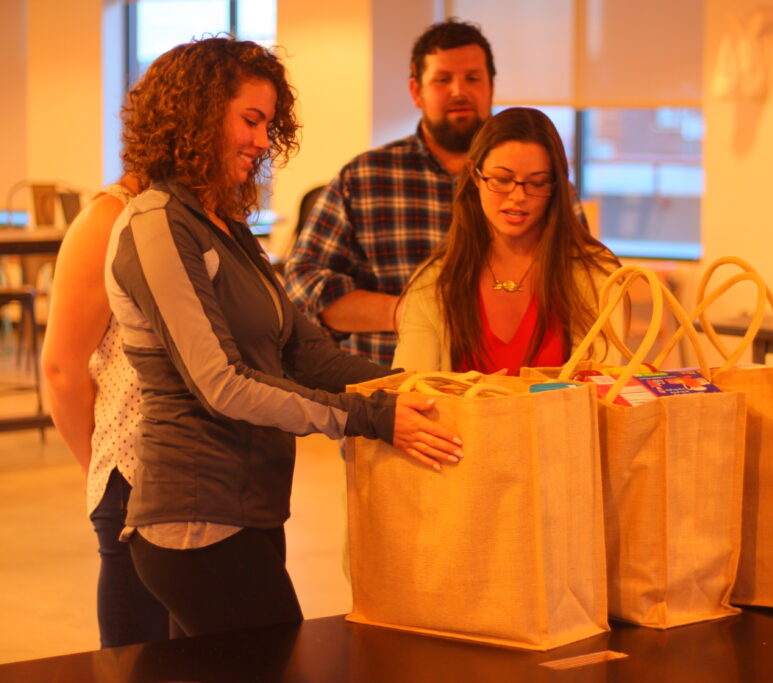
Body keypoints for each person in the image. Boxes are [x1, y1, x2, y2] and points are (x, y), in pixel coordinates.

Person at [105, 37, 462, 638]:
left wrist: (418, 383)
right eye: (250, 120)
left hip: (250, 511)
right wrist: (371, 417)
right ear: (197, 115)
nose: (263, 142)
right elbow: (222, 384)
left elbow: (307, 352)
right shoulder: (157, 224)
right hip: (196, 519)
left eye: (270, 125)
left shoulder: (227, 226)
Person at [284, 19, 589, 367]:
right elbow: (302, 282)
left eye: (472, 78)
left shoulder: (542, 182)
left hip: (527, 391)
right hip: (390, 389)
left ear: (491, 87)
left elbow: (580, 276)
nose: (459, 91)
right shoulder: (365, 178)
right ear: (416, 91)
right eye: (443, 79)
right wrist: (408, 313)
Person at [41, 174, 169, 648]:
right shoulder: (109, 217)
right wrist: (97, 470)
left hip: (206, 477)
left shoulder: (197, 210)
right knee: (141, 660)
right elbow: (60, 368)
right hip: (133, 472)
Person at [393, 108, 621, 375]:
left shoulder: (596, 277)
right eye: (502, 180)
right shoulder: (433, 282)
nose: (518, 196)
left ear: (556, 187)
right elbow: (410, 391)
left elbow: (601, 393)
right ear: (475, 175)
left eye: (536, 183)